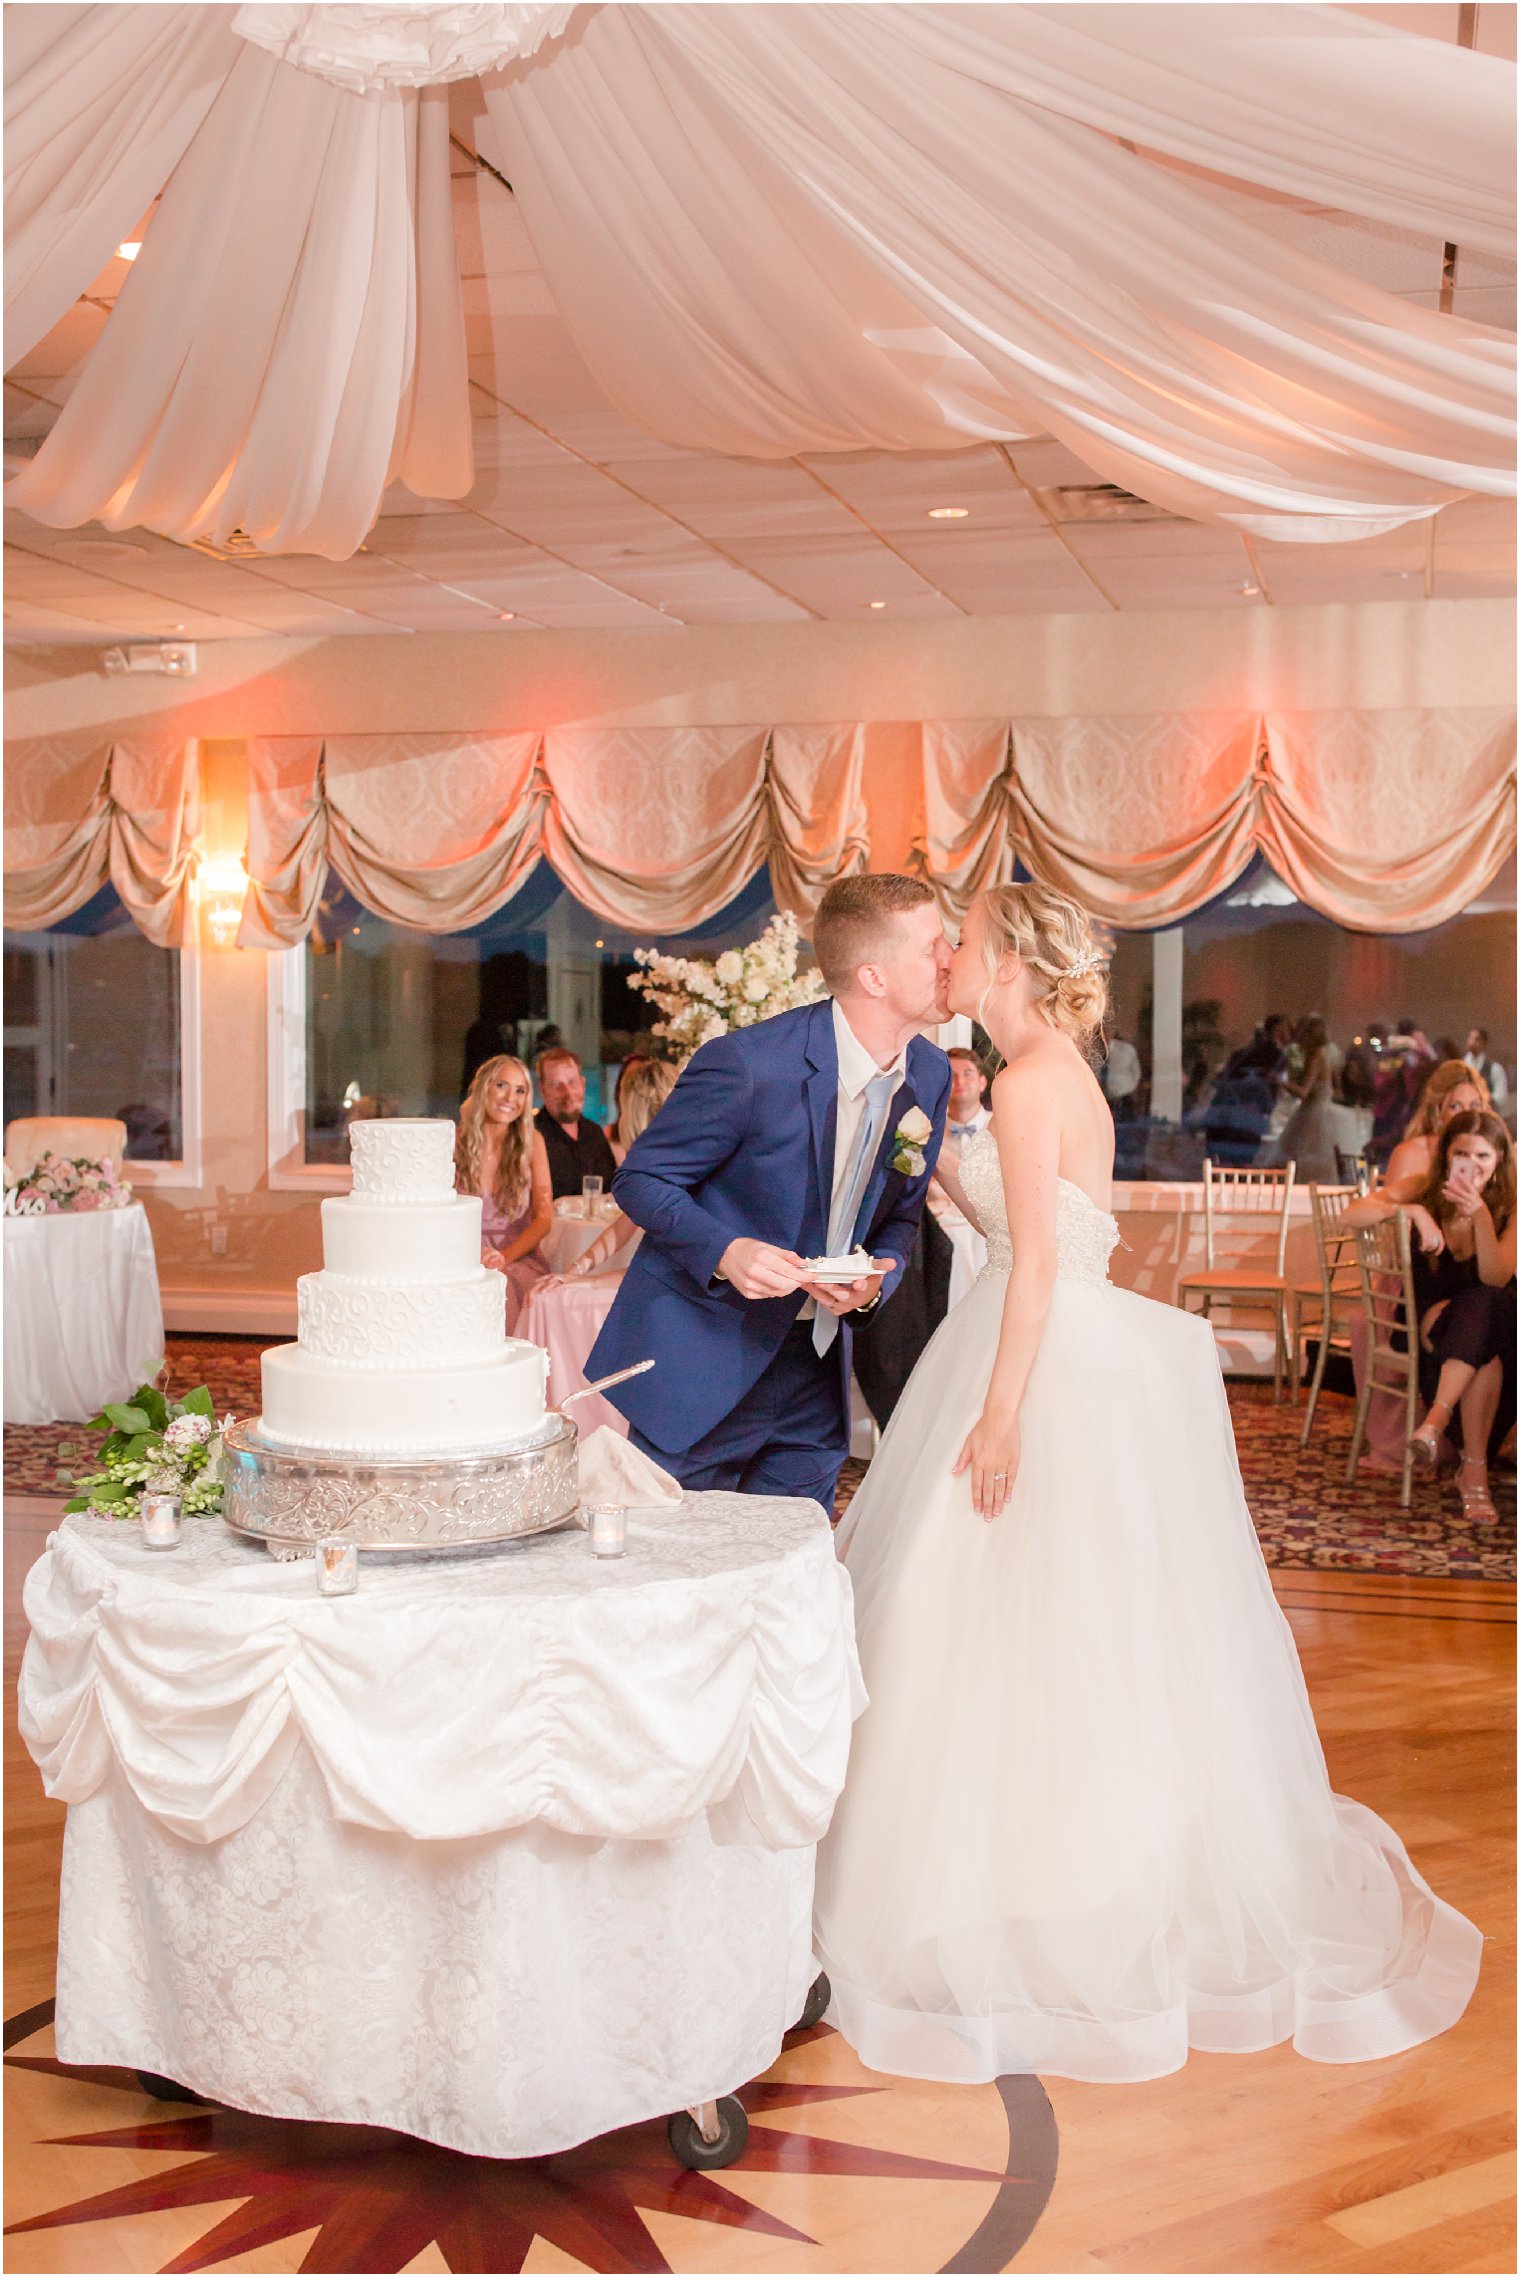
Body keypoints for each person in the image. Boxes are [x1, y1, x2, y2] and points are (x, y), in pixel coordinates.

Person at [812, 879, 1480, 2086]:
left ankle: (994, 1883)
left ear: (1007, 961)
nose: (950, 957)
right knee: (1075, 1626)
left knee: (981, 1621)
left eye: (965, 942)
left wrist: (1000, 1411)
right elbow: (1038, 1235)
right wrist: (939, 1179)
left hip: (1032, 1364)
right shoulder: (1060, 1076)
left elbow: (1029, 1280)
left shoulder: (1019, 1084)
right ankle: (1081, 1864)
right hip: (1075, 1349)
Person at [588, 873, 952, 1511]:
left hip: (815, 1373)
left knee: (789, 1573)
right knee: (676, 1573)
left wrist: (877, 1280)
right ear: (875, 977)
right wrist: (727, 1251)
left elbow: (900, 1215)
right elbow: (641, 1179)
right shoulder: (751, 1065)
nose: (951, 959)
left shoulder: (930, 1072)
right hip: (706, 1364)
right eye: (934, 945)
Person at [1345, 1110, 1516, 1522]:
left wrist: (1479, 1216)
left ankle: (1440, 1430)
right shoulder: (1425, 1189)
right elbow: (1352, 1214)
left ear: (1498, 1161)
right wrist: (1413, 1213)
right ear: (1446, 1156)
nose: (1471, 1166)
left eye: (1482, 1156)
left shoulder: (1510, 1207)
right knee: (1479, 1318)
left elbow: (1496, 1276)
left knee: (1484, 1315)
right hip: (1431, 1338)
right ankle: (1471, 1475)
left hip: (1494, 1347)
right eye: (1462, 1154)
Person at [553, 1058, 679, 1283]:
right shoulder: (657, 1161)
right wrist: (576, 1272)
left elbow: (666, 1269)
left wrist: (583, 1279)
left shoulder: (676, 1166)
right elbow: (626, 1223)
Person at [455, 1055, 553, 1332]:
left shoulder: (533, 1142)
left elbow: (544, 1219)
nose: (511, 1097)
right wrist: (473, 1255)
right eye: (502, 1085)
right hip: (461, 1256)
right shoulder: (453, 1143)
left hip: (517, 1256)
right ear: (483, 1087)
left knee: (502, 1287)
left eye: (520, 1090)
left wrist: (503, 1258)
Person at [1378, 1060, 1490, 1199]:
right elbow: (1387, 1213)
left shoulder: (1495, 1155)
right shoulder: (1411, 1153)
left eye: (1474, 1106)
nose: (1466, 1116)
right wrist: (1418, 1213)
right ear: (1438, 1111)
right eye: (1455, 1106)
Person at [534, 1047, 618, 1200]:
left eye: (572, 1082)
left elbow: (612, 1191)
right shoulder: (531, 1135)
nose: (568, 1093)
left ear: (583, 1084)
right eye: (557, 1084)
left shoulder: (595, 1132)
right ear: (543, 1091)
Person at [1278, 1014, 1337, 1182]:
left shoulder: (1315, 1057)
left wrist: (1281, 1082)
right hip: (1315, 1111)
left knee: (1305, 1158)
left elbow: (1303, 1092)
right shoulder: (1320, 1056)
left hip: (1313, 1113)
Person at [945, 1046, 992, 1141]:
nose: (960, 1081)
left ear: (982, 1083)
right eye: (952, 1075)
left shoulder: (1002, 1127)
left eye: (967, 1074)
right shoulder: (926, 1133)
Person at [1466, 1026, 1510, 1110]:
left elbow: (1501, 1096)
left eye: (1476, 1039)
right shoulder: (1461, 1065)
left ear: (1484, 1043)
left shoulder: (1495, 1068)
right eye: (1470, 1038)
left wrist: (1482, 1098)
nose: (1472, 1042)